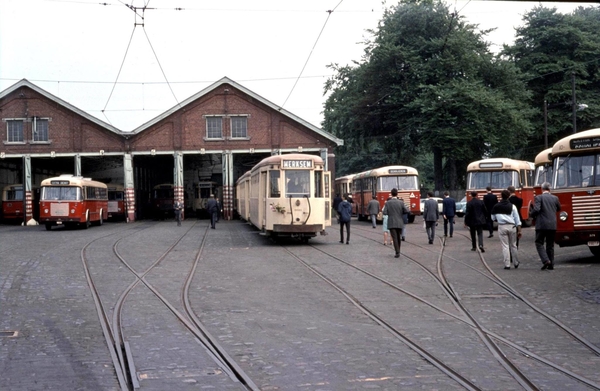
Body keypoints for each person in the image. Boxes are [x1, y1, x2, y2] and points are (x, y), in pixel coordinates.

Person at [530, 182, 561, 270]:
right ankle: (551, 264)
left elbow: (536, 209)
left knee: (539, 243)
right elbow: (559, 208)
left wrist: (531, 215)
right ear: (549, 189)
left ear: (541, 189)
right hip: (552, 224)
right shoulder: (555, 198)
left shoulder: (539, 197)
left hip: (542, 224)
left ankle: (546, 260)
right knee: (550, 245)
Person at [491, 189, 522, 269]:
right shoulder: (512, 206)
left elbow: (493, 217)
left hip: (502, 226)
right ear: (509, 196)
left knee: (505, 246)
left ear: (501, 196)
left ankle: (507, 264)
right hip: (512, 226)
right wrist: (519, 230)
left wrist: (498, 219)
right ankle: (516, 262)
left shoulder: (496, 206)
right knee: (513, 245)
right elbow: (517, 219)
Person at [383, 188, 409, 258]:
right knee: (398, 237)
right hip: (400, 221)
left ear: (391, 194)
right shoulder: (401, 202)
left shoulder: (388, 203)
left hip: (391, 222)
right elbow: (406, 210)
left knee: (394, 238)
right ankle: (398, 250)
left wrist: (390, 213)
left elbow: (384, 212)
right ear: (397, 193)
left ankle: (397, 252)